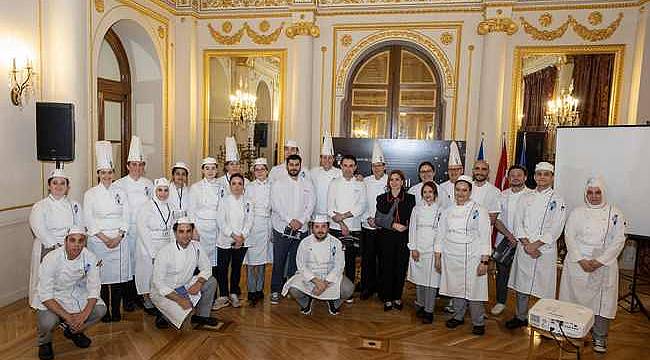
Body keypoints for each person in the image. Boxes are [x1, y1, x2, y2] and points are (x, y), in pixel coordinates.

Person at [559, 177, 625, 353]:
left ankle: (600, 338)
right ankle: (573, 334)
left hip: (603, 263)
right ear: (585, 194)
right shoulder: (577, 212)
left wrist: (599, 261)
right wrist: (581, 259)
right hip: (577, 262)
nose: (594, 196)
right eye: (590, 192)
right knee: (573, 300)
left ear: (603, 193)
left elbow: (619, 240)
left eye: (597, 192)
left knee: (602, 303)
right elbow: (569, 236)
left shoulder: (615, 213)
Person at [506, 162, 567, 329]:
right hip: (525, 247)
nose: (542, 177)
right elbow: (518, 222)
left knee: (544, 287)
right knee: (522, 285)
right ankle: (520, 316)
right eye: (539, 174)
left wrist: (536, 245)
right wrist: (527, 244)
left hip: (544, 250)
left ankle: (545, 322)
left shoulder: (558, 200)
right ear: (534, 177)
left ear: (552, 177)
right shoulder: (526, 197)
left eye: (546, 174)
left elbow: (557, 227)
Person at [35, 227, 106, 360]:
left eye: (81, 241)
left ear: (85, 242)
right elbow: (45, 295)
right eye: (72, 240)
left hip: (75, 292)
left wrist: (83, 317)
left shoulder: (90, 257)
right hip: (53, 295)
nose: (77, 245)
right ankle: (44, 342)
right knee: (48, 322)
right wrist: (68, 317)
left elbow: (94, 288)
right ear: (65, 241)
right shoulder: (51, 258)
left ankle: (74, 331)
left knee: (100, 310)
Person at [435, 175, 491, 335]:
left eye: (464, 190)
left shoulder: (479, 210)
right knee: (456, 288)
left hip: (472, 256)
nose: (461, 193)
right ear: (454, 191)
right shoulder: (448, 211)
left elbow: (485, 235)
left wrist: (484, 261)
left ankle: (478, 321)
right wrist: (438, 257)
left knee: (475, 290)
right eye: (458, 190)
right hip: (451, 255)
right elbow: (440, 234)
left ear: (470, 191)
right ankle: (458, 316)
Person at [83, 141, 130, 322]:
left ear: (113, 173)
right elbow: (89, 220)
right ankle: (105, 311)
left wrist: (118, 237)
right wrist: (104, 238)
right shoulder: (90, 194)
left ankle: (116, 310)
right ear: (98, 174)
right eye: (103, 173)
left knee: (117, 277)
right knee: (101, 277)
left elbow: (127, 215)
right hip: (98, 240)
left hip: (119, 239)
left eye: (109, 172)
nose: (107, 176)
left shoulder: (121, 192)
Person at [29, 169, 83, 310]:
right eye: (55, 183)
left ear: (67, 187)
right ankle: (44, 308)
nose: (58, 186)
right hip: (48, 247)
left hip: (71, 247)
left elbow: (80, 226)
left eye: (62, 183)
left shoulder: (75, 205)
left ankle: (66, 307)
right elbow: (39, 228)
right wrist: (57, 247)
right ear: (49, 186)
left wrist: (72, 246)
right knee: (47, 280)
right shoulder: (40, 206)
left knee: (67, 281)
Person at [150, 217, 219, 329]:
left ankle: (202, 316)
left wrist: (199, 283)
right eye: (181, 231)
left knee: (211, 281)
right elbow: (159, 284)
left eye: (188, 231)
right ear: (175, 233)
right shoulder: (164, 252)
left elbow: (206, 268)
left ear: (192, 232)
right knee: (182, 320)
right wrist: (179, 299)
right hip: (166, 291)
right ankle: (162, 314)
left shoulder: (196, 247)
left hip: (184, 285)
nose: (185, 235)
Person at [282, 216, 354, 316]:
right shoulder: (304, 243)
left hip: (329, 277)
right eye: (317, 227)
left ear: (328, 228)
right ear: (312, 228)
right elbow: (301, 265)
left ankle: (333, 303)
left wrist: (325, 283)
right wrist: (316, 281)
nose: (320, 230)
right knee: (293, 290)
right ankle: (306, 303)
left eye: (323, 226)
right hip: (310, 277)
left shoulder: (336, 243)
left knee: (349, 289)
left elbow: (339, 265)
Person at [113, 136, 153, 311]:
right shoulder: (118, 184)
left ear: (144, 167)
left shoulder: (149, 184)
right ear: (128, 166)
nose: (137, 168)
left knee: (141, 263)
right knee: (127, 263)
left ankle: (139, 296)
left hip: (144, 231)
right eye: (134, 164)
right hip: (126, 231)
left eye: (140, 164)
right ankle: (127, 298)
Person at [269, 154, 315, 304]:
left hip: (301, 229)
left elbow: (311, 204)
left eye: (296, 165)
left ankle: (291, 287)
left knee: (296, 260)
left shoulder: (307, 183)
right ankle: (276, 290)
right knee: (279, 261)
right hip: (282, 228)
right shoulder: (278, 183)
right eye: (291, 165)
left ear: (300, 166)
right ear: (287, 166)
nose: (294, 167)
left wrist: (301, 221)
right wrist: (290, 221)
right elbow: (276, 205)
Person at [491, 165, 533, 315]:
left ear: (525, 177)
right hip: (505, 240)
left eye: (519, 175)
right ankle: (501, 302)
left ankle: (521, 309)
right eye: (512, 175)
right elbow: (496, 220)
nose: (515, 177)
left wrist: (522, 238)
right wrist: (509, 236)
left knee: (523, 275)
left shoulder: (532, 195)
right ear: (508, 178)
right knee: (502, 273)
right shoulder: (502, 195)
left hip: (526, 243)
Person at [327, 154, 367, 302]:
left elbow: (361, 206)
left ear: (355, 167)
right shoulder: (334, 183)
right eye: (345, 165)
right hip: (336, 227)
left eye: (351, 166)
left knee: (350, 260)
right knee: (335, 260)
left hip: (354, 226)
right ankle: (332, 289)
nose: (348, 169)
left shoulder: (360, 184)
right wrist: (341, 223)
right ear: (341, 166)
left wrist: (343, 217)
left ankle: (348, 292)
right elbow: (329, 207)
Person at [376, 170, 416, 311]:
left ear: (402, 182)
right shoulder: (381, 198)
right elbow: (378, 220)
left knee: (400, 267)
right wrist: (393, 225)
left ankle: (397, 297)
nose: (394, 182)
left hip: (403, 238)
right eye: (391, 180)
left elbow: (414, 219)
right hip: (386, 237)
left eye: (397, 179)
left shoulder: (411, 199)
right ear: (388, 183)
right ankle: (387, 298)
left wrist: (406, 228)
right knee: (386, 267)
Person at [135, 178, 175, 315]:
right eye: (160, 190)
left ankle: (159, 298)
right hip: (149, 244)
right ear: (155, 191)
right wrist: (151, 252)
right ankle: (146, 298)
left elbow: (172, 228)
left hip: (165, 243)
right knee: (147, 272)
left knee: (161, 273)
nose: (163, 193)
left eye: (165, 190)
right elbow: (142, 228)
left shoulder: (171, 206)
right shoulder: (147, 206)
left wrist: (172, 247)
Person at [214, 173, 253, 309]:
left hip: (241, 241)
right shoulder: (224, 201)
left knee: (236, 269)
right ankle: (223, 295)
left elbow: (249, 221)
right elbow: (221, 221)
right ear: (230, 186)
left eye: (239, 183)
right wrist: (233, 236)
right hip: (225, 240)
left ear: (243, 186)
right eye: (234, 183)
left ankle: (234, 293)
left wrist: (242, 236)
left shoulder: (248, 202)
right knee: (222, 269)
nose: (237, 186)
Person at [407, 182, 443, 324]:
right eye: (425, 192)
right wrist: (413, 248)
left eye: (430, 192)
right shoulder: (416, 209)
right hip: (419, 249)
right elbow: (412, 229)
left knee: (431, 282)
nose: (428, 195)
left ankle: (429, 310)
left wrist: (437, 252)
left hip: (433, 250)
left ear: (435, 194)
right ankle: (420, 305)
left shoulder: (441, 210)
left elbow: (441, 233)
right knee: (420, 279)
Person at [188, 157, 221, 307]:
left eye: (213, 168)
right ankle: (196, 297)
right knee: (198, 263)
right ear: (202, 170)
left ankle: (211, 298)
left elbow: (223, 209)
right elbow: (191, 210)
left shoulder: (221, 187)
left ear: (217, 170)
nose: (210, 171)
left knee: (213, 264)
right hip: (200, 230)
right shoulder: (195, 187)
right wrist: (194, 229)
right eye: (207, 168)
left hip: (216, 229)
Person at [360, 142, 388, 300]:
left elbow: (392, 206)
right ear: (371, 167)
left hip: (384, 228)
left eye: (379, 165)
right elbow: (361, 202)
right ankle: (366, 288)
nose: (377, 168)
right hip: (367, 225)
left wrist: (379, 221)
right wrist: (367, 219)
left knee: (383, 260)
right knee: (367, 259)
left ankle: (382, 289)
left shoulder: (391, 181)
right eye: (374, 166)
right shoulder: (365, 181)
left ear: (384, 166)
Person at [244, 158, 273, 306]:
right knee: (250, 261)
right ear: (253, 172)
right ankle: (250, 290)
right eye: (257, 169)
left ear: (267, 170)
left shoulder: (273, 186)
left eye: (262, 169)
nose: (260, 172)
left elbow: (274, 207)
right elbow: (246, 208)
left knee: (262, 261)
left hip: (266, 224)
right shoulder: (249, 187)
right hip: (252, 225)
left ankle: (259, 289)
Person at [310, 132, 342, 218]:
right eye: (324, 157)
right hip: (316, 213)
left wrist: (359, 177)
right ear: (320, 159)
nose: (327, 160)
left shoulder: (340, 173)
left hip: (334, 214)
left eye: (330, 158)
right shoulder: (313, 172)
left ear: (333, 159)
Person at [470, 160, 502, 224]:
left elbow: (492, 219)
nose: (480, 172)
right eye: (477, 168)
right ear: (473, 170)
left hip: (483, 232)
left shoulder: (495, 191)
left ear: (488, 172)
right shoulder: (465, 187)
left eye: (484, 169)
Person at [439, 141, 464, 208]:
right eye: (451, 169)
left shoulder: (468, 186)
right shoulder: (441, 187)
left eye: (456, 169)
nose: (453, 172)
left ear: (462, 170)